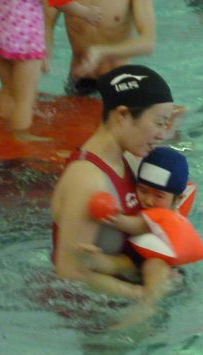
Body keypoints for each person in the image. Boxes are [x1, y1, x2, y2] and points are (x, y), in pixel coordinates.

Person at [51, 64, 174, 328]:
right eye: (159, 123)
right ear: (123, 115)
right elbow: (69, 273)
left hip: (122, 301)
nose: (162, 134)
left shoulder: (125, 159)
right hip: (97, 322)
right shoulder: (88, 180)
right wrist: (144, 297)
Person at [77, 147, 193, 328]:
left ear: (178, 199)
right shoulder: (150, 205)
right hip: (135, 262)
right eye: (143, 190)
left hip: (163, 268)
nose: (148, 200)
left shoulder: (172, 217)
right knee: (119, 263)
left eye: (159, 196)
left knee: (155, 267)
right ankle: (94, 260)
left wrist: (115, 218)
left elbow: (140, 225)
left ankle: (148, 304)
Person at [0, 0, 101, 134]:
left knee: (8, 91)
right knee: (24, 101)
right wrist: (86, 13)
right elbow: (61, 2)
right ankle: (20, 137)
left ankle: (5, 130)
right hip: (25, 40)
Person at [44, 0, 157, 96]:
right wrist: (47, 50)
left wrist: (101, 52)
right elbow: (46, 22)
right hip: (79, 80)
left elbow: (148, 43)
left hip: (119, 79)